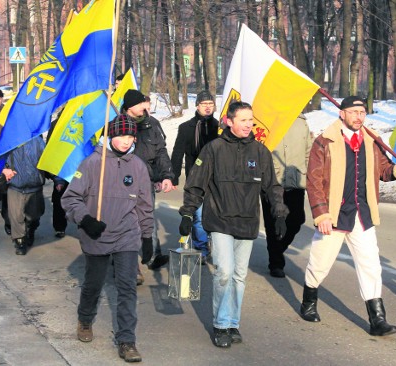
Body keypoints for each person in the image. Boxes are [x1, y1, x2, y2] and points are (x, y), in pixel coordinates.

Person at [299, 96, 396, 336]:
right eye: (353, 112)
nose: (358, 117)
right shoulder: (325, 142)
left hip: (362, 214)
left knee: (371, 265)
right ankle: (309, 300)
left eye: (362, 112)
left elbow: (383, 171)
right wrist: (322, 215)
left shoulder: (372, 140)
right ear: (342, 114)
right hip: (334, 214)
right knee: (320, 264)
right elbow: (314, 181)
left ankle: (377, 320)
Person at [178, 101, 288, 348]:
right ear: (229, 121)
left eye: (251, 120)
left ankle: (232, 323)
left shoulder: (261, 152)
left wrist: (279, 213)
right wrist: (187, 214)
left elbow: (272, 187)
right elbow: (196, 184)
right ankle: (220, 324)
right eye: (243, 120)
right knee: (225, 272)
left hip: (247, 223)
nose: (249, 124)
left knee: (239, 276)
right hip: (219, 220)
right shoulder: (213, 149)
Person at [61, 114, 153, 363]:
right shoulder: (93, 163)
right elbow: (70, 198)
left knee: (127, 287)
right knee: (94, 284)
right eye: (122, 135)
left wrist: (147, 236)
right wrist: (86, 220)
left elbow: (145, 205)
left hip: (127, 235)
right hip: (97, 234)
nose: (126, 141)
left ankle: (127, 340)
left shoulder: (138, 166)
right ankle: (85, 319)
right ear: (111, 135)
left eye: (131, 136)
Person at [122, 89, 174, 281]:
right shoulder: (118, 124)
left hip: (147, 182)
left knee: (146, 218)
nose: (145, 106)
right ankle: (129, 265)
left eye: (145, 103)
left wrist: (166, 176)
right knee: (128, 223)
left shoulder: (152, 124)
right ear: (129, 107)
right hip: (123, 184)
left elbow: (161, 152)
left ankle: (151, 255)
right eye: (140, 104)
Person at [171, 90, 220, 262]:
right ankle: (202, 250)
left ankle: (214, 244)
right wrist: (174, 176)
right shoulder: (186, 128)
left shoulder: (219, 128)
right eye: (204, 104)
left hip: (216, 179)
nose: (208, 107)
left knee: (214, 215)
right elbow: (178, 153)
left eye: (211, 104)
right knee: (198, 216)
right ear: (197, 105)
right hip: (195, 178)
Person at [261, 113, 312, 278]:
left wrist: (308, 173)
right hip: (271, 180)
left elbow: (308, 151)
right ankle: (276, 263)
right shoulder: (266, 120)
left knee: (296, 220)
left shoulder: (301, 122)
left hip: (296, 180)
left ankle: (277, 249)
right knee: (273, 223)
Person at [0, 136, 46, 255]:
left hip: (34, 186)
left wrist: (58, 180)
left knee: (34, 215)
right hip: (15, 185)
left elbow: (48, 160)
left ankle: (31, 229)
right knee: (16, 216)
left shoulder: (38, 141)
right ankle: (20, 241)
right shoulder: (9, 139)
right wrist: (4, 169)